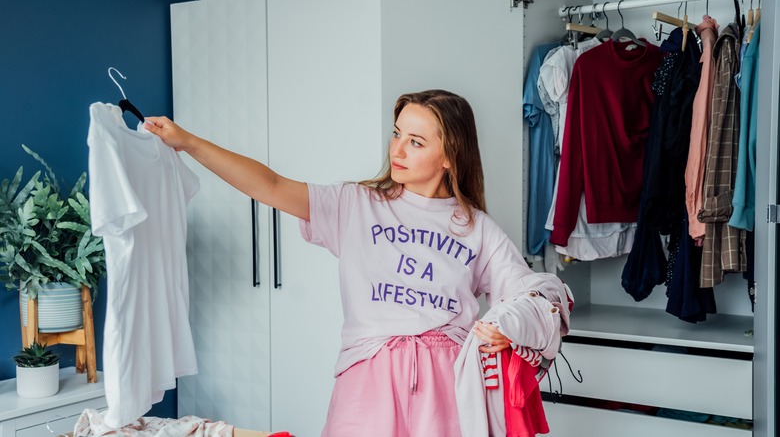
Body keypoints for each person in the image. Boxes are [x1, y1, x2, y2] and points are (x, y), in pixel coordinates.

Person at [144, 89, 566, 436]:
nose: (397, 149)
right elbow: (270, 185)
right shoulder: (355, 204)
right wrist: (188, 142)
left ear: (449, 156)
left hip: (445, 387)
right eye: (397, 133)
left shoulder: (477, 228)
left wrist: (509, 330)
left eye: (416, 142)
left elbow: (532, 294)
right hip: (368, 379)